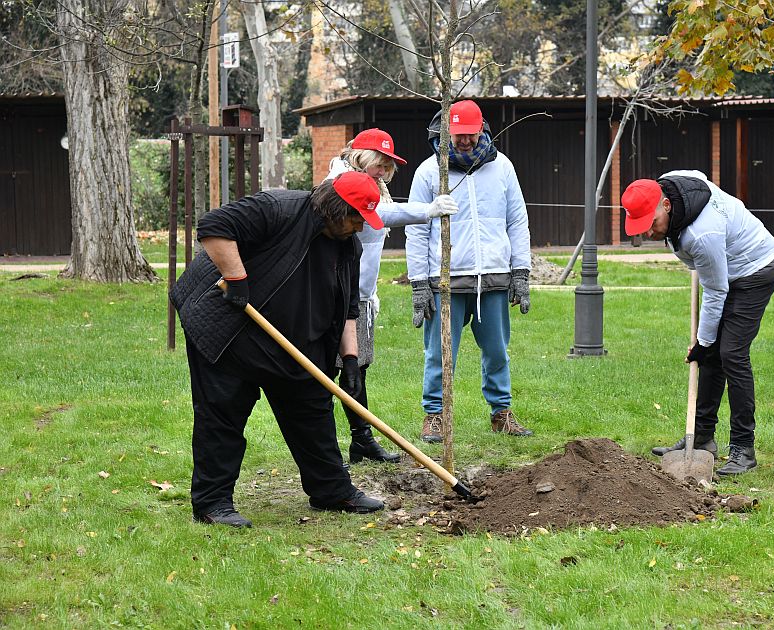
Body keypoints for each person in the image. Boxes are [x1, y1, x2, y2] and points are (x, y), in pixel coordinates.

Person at [170, 171, 387, 527]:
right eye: (356, 218)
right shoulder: (278, 208)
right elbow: (213, 227)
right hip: (231, 332)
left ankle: (331, 491)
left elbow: (348, 306)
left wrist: (350, 358)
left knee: (312, 409)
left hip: (295, 342)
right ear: (335, 209)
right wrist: (238, 280)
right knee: (223, 412)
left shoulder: (349, 245)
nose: (360, 227)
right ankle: (213, 503)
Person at [621, 170, 774, 476]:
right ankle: (702, 439)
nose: (648, 234)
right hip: (724, 267)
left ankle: (743, 449)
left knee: (731, 354)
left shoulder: (701, 235)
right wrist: (705, 346)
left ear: (667, 205)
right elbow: (697, 175)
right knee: (712, 357)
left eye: (651, 224)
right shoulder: (670, 183)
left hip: (754, 270)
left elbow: (717, 290)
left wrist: (702, 342)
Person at [324, 128, 459, 464]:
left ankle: (361, 440)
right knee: (331, 371)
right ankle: (328, 448)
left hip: (360, 296)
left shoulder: (373, 185)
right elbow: (381, 216)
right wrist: (426, 210)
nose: (383, 172)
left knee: (358, 369)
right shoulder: (341, 183)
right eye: (379, 164)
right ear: (360, 157)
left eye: (387, 167)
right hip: (334, 295)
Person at [405, 99, 533, 442]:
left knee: (497, 351)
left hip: (492, 276)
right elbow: (416, 228)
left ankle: (501, 413)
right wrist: (419, 283)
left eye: (470, 135)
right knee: (439, 353)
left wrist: (520, 271)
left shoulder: (502, 167)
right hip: (443, 280)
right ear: (446, 132)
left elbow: (517, 220)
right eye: (458, 135)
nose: (464, 141)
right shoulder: (429, 172)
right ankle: (435, 415)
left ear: (482, 131)